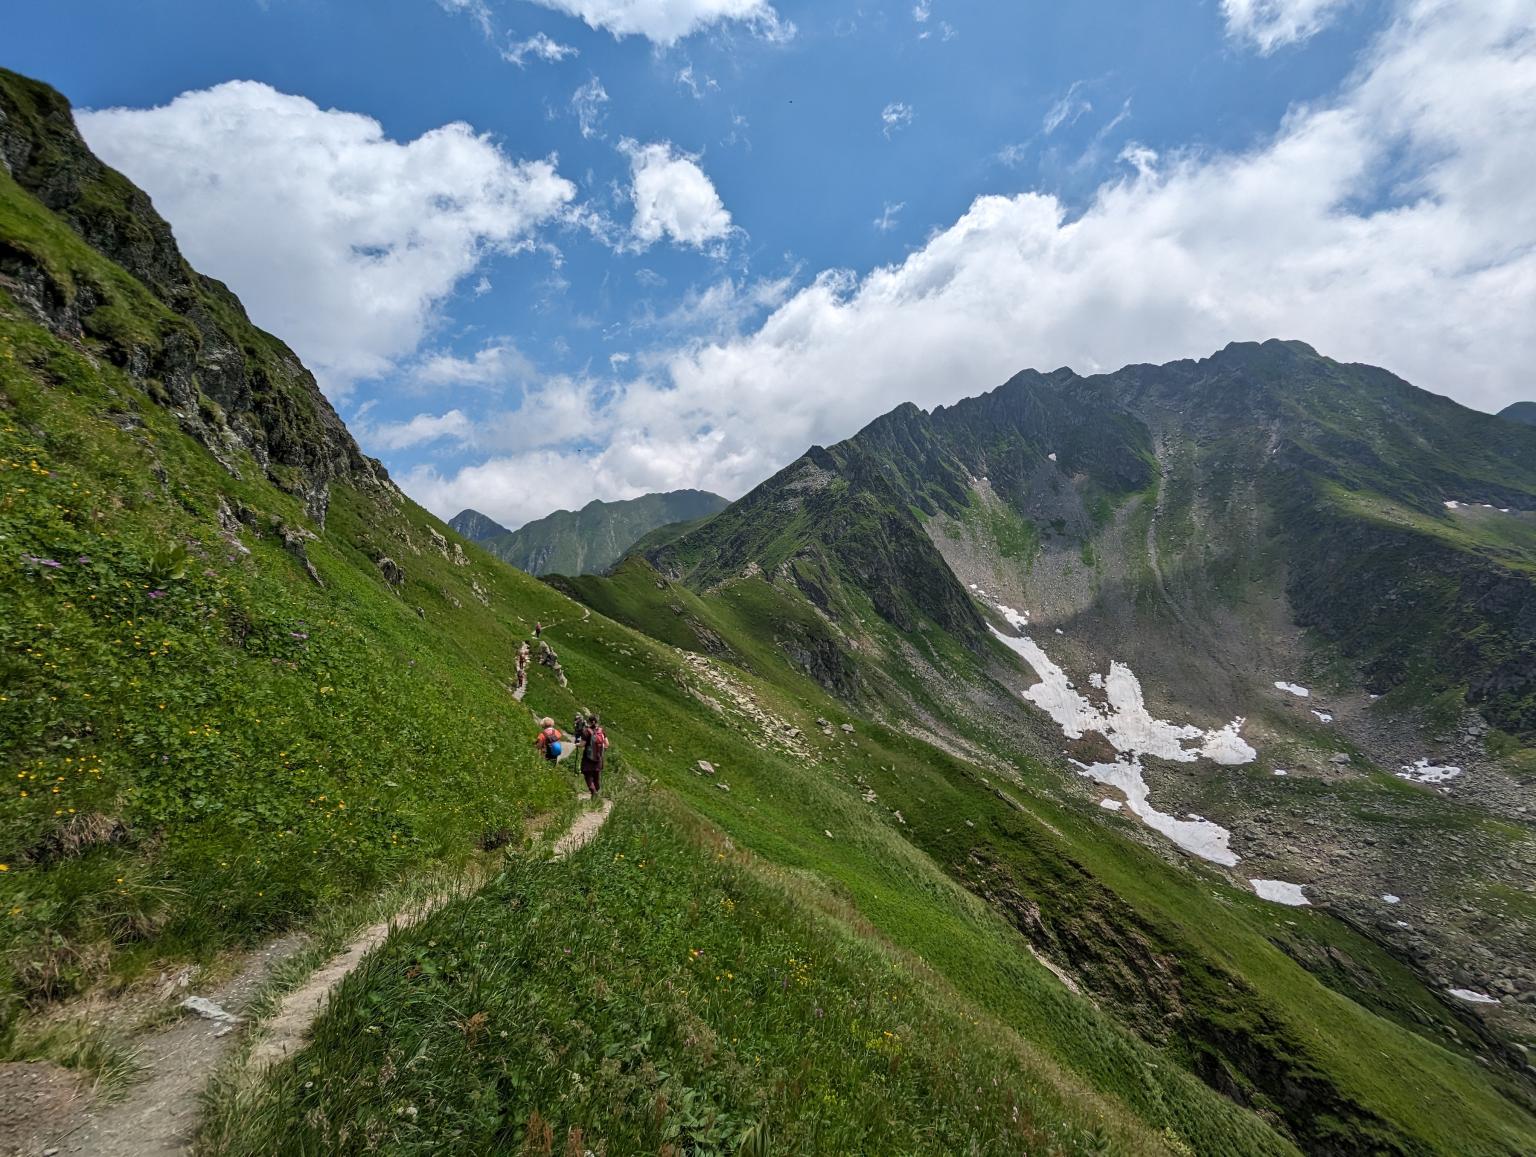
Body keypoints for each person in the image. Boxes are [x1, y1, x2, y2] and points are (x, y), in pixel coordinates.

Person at [579, 713, 607, 800]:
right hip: (598, 758)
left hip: (588, 758)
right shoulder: (601, 731)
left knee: (588, 775)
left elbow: (582, 744)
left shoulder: (587, 731)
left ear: (590, 721)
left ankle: (593, 793)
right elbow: (607, 744)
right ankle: (597, 794)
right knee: (596, 776)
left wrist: (577, 744)